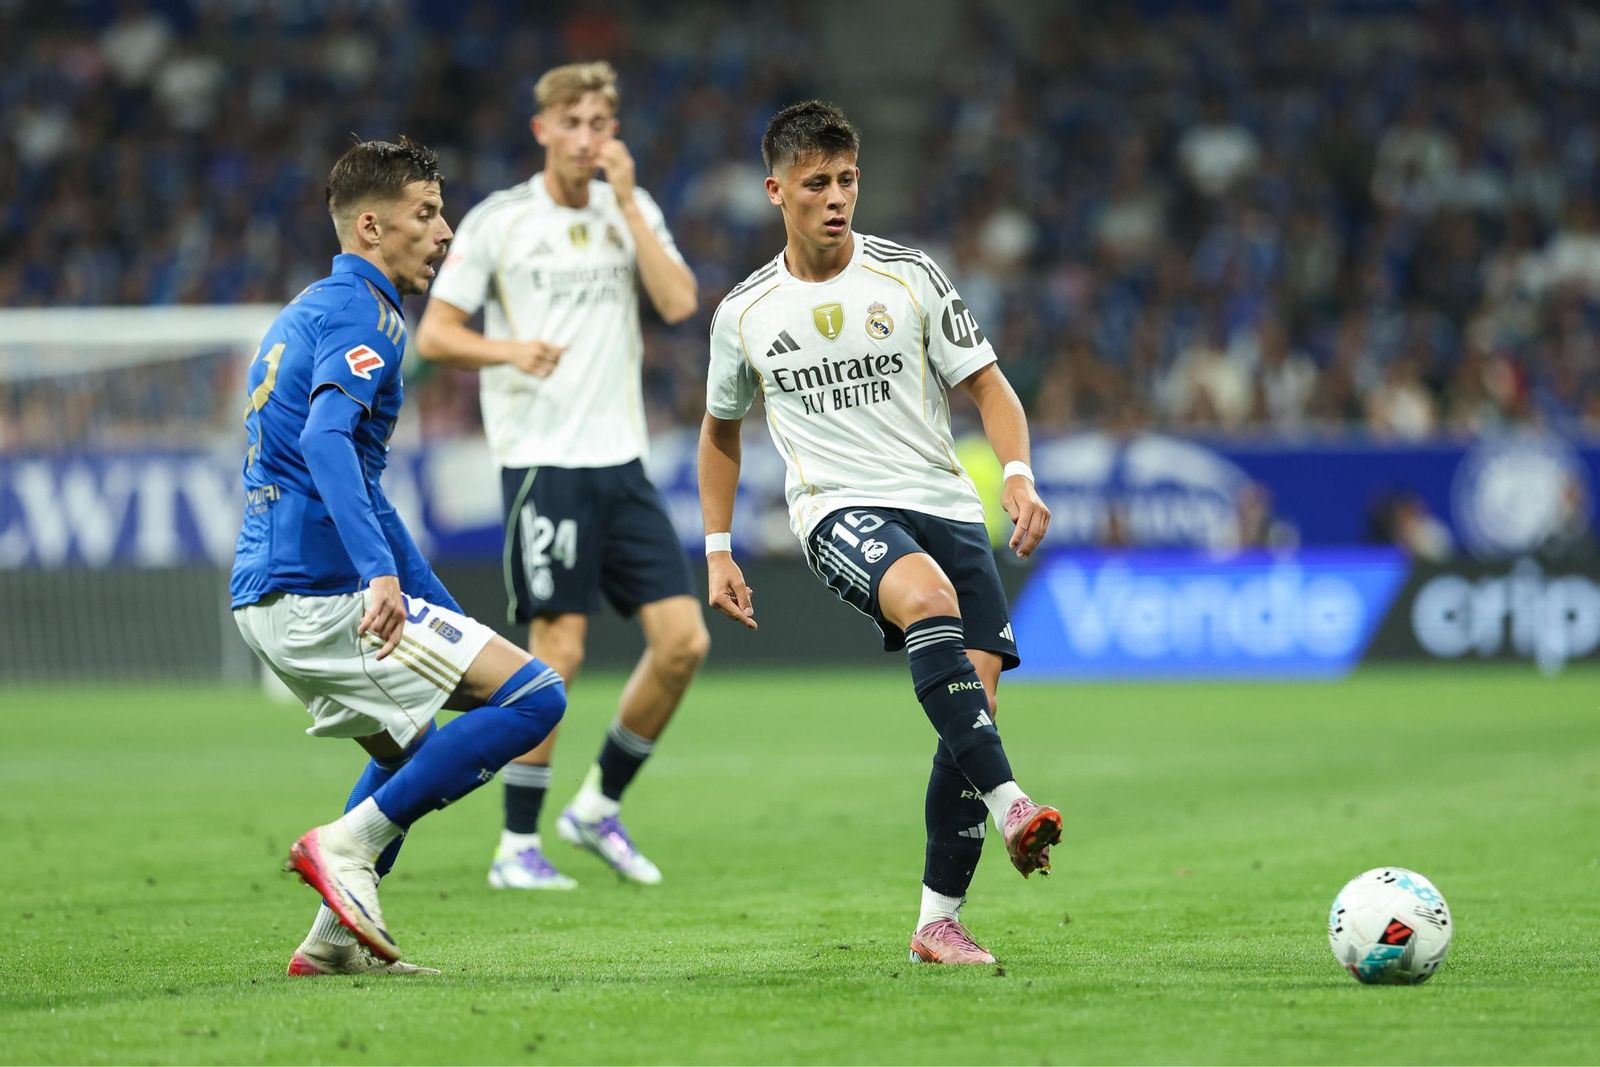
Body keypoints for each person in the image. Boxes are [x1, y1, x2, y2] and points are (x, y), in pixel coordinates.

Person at [698, 101, 1061, 965]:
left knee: (969, 714)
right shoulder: (744, 312)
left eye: (848, 179)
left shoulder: (910, 276)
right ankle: (1012, 798)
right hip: (835, 507)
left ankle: (938, 920)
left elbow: (991, 388)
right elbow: (721, 431)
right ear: (776, 189)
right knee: (927, 601)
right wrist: (718, 547)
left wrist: (1018, 473)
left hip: (943, 503)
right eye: (817, 183)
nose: (836, 198)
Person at [230, 137, 568, 976]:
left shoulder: (311, 307)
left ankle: (333, 940)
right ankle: (345, 845)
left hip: (273, 594)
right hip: (321, 591)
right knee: (535, 695)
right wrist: (383, 578)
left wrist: (426, 593)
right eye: (426, 213)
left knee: (410, 757)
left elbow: (369, 491)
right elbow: (326, 441)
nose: (445, 231)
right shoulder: (367, 315)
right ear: (373, 226)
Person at [416, 61, 707, 890]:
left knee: (683, 642)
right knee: (559, 649)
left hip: (623, 462)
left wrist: (628, 207)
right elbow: (435, 334)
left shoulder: (632, 209)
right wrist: (509, 349)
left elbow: (682, 302)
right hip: (544, 462)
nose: (588, 139)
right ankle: (516, 844)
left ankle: (597, 806)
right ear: (542, 129)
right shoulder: (501, 221)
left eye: (601, 125)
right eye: (573, 123)